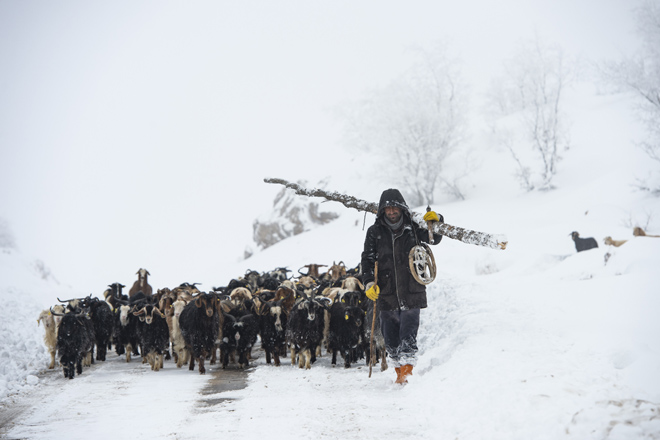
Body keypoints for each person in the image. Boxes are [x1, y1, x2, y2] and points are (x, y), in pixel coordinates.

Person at [361, 188, 443, 384]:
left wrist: (436, 219)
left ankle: (407, 372)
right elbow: (367, 258)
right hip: (386, 290)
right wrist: (369, 282)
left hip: (411, 288)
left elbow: (435, 238)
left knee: (408, 333)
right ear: (382, 210)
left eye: (395, 208)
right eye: (387, 208)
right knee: (390, 335)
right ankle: (398, 370)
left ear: (402, 208)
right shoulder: (375, 232)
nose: (391, 212)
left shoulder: (414, 227)